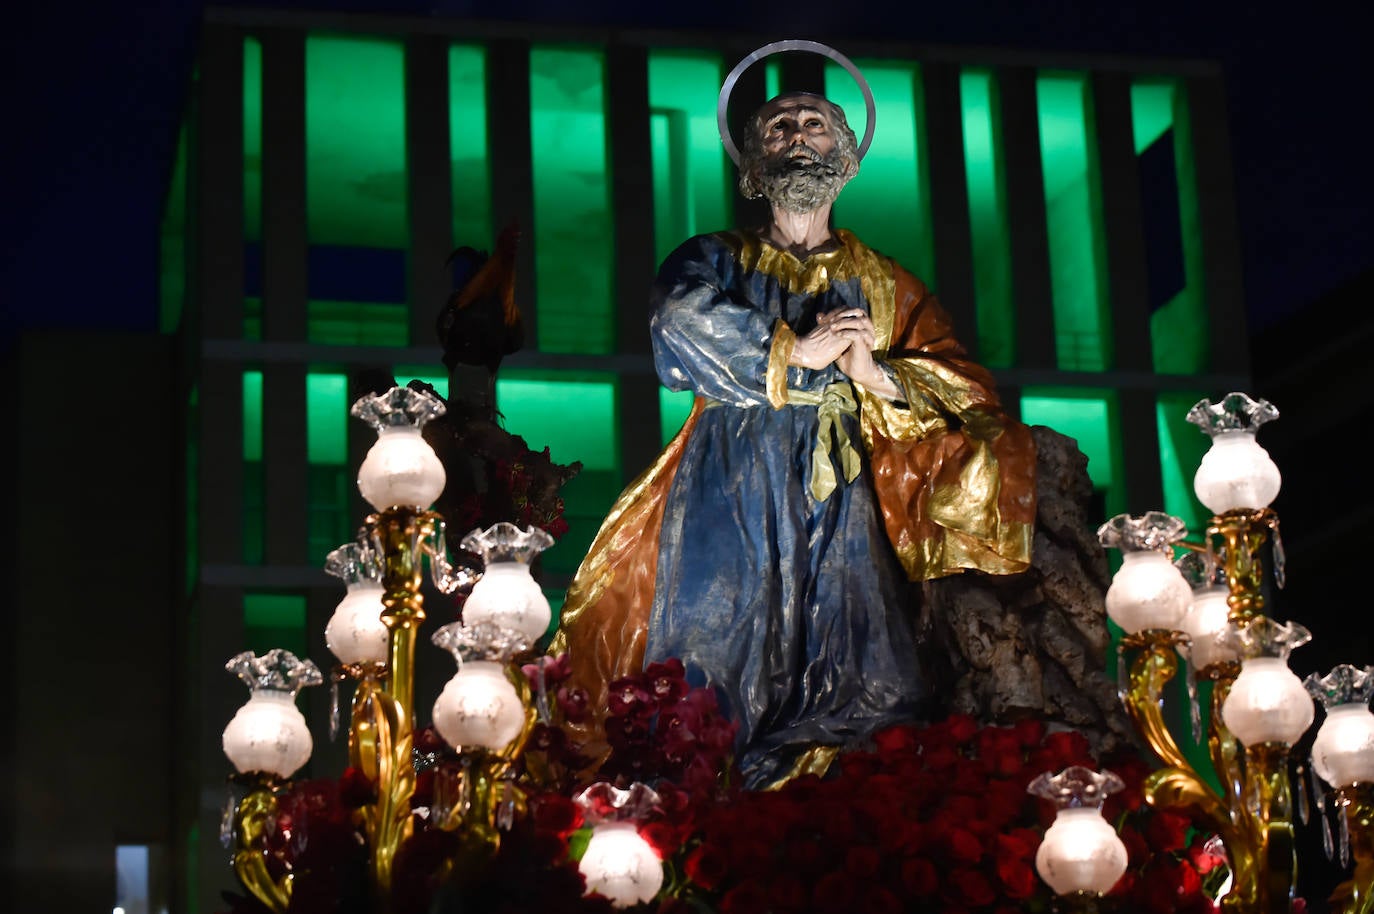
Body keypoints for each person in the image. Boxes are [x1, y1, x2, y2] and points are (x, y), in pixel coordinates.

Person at [552, 90, 1037, 789]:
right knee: (713, 657)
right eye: (780, 128)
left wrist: (876, 374)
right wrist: (792, 352)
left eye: (815, 125)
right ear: (754, 163)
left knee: (867, 675)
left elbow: (966, 389)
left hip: (845, 497)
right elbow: (676, 319)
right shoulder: (713, 256)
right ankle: (700, 822)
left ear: (844, 158)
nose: (799, 137)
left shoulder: (887, 283)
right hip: (728, 484)